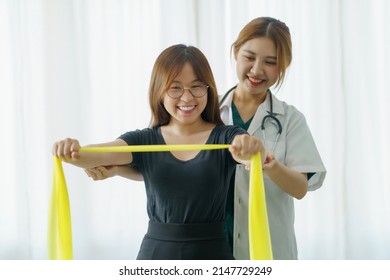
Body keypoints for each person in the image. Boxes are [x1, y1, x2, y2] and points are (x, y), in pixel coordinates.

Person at [85, 17, 327, 260]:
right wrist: (118, 169)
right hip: (210, 246)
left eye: (270, 62)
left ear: (283, 66)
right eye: (249, 57)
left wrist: (266, 163)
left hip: (266, 245)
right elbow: (168, 163)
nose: (256, 70)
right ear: (235, 52)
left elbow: (300, 187)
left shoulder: (290, 119)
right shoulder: (199, 108)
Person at [52, 44, 265, 260]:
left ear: (208, 90)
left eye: (197, 87)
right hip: (155, 256)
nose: (187, 98)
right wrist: (71, 149)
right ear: (159, 91)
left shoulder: (226, 136)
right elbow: (95, 155)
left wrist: (249, 148)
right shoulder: (144, 139)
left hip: (213, 254)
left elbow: (245, 150)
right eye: (175, 88)